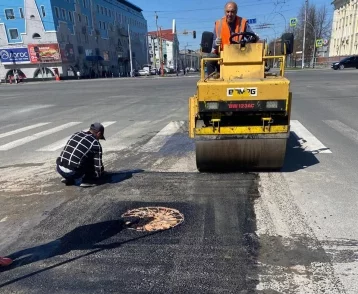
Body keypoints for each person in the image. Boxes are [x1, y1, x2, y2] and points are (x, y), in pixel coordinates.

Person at [206, 1, 258, 76]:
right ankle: (211, 81)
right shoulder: (219, 24)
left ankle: (254, 75)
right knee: (209, 59)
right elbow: (213, 44)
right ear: (225, 12)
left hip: (239, 54)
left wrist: (255, 37)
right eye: (228, 12)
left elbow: (252, 36)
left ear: (236, 12)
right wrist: (216, 43)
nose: (230, 14)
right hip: (222, 55)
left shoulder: (242, 22)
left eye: (232, 12)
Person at [56, 123, 105, 187]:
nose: (98, 139)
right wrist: (99, 175)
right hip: (73, 172)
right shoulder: (95, 143)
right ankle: (88, 180)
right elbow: (98, 166)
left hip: (59, 168)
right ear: (98, 134)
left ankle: (68, 178)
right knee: (90, 157)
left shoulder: (77, 134)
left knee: (77, 155)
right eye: (100, 137)